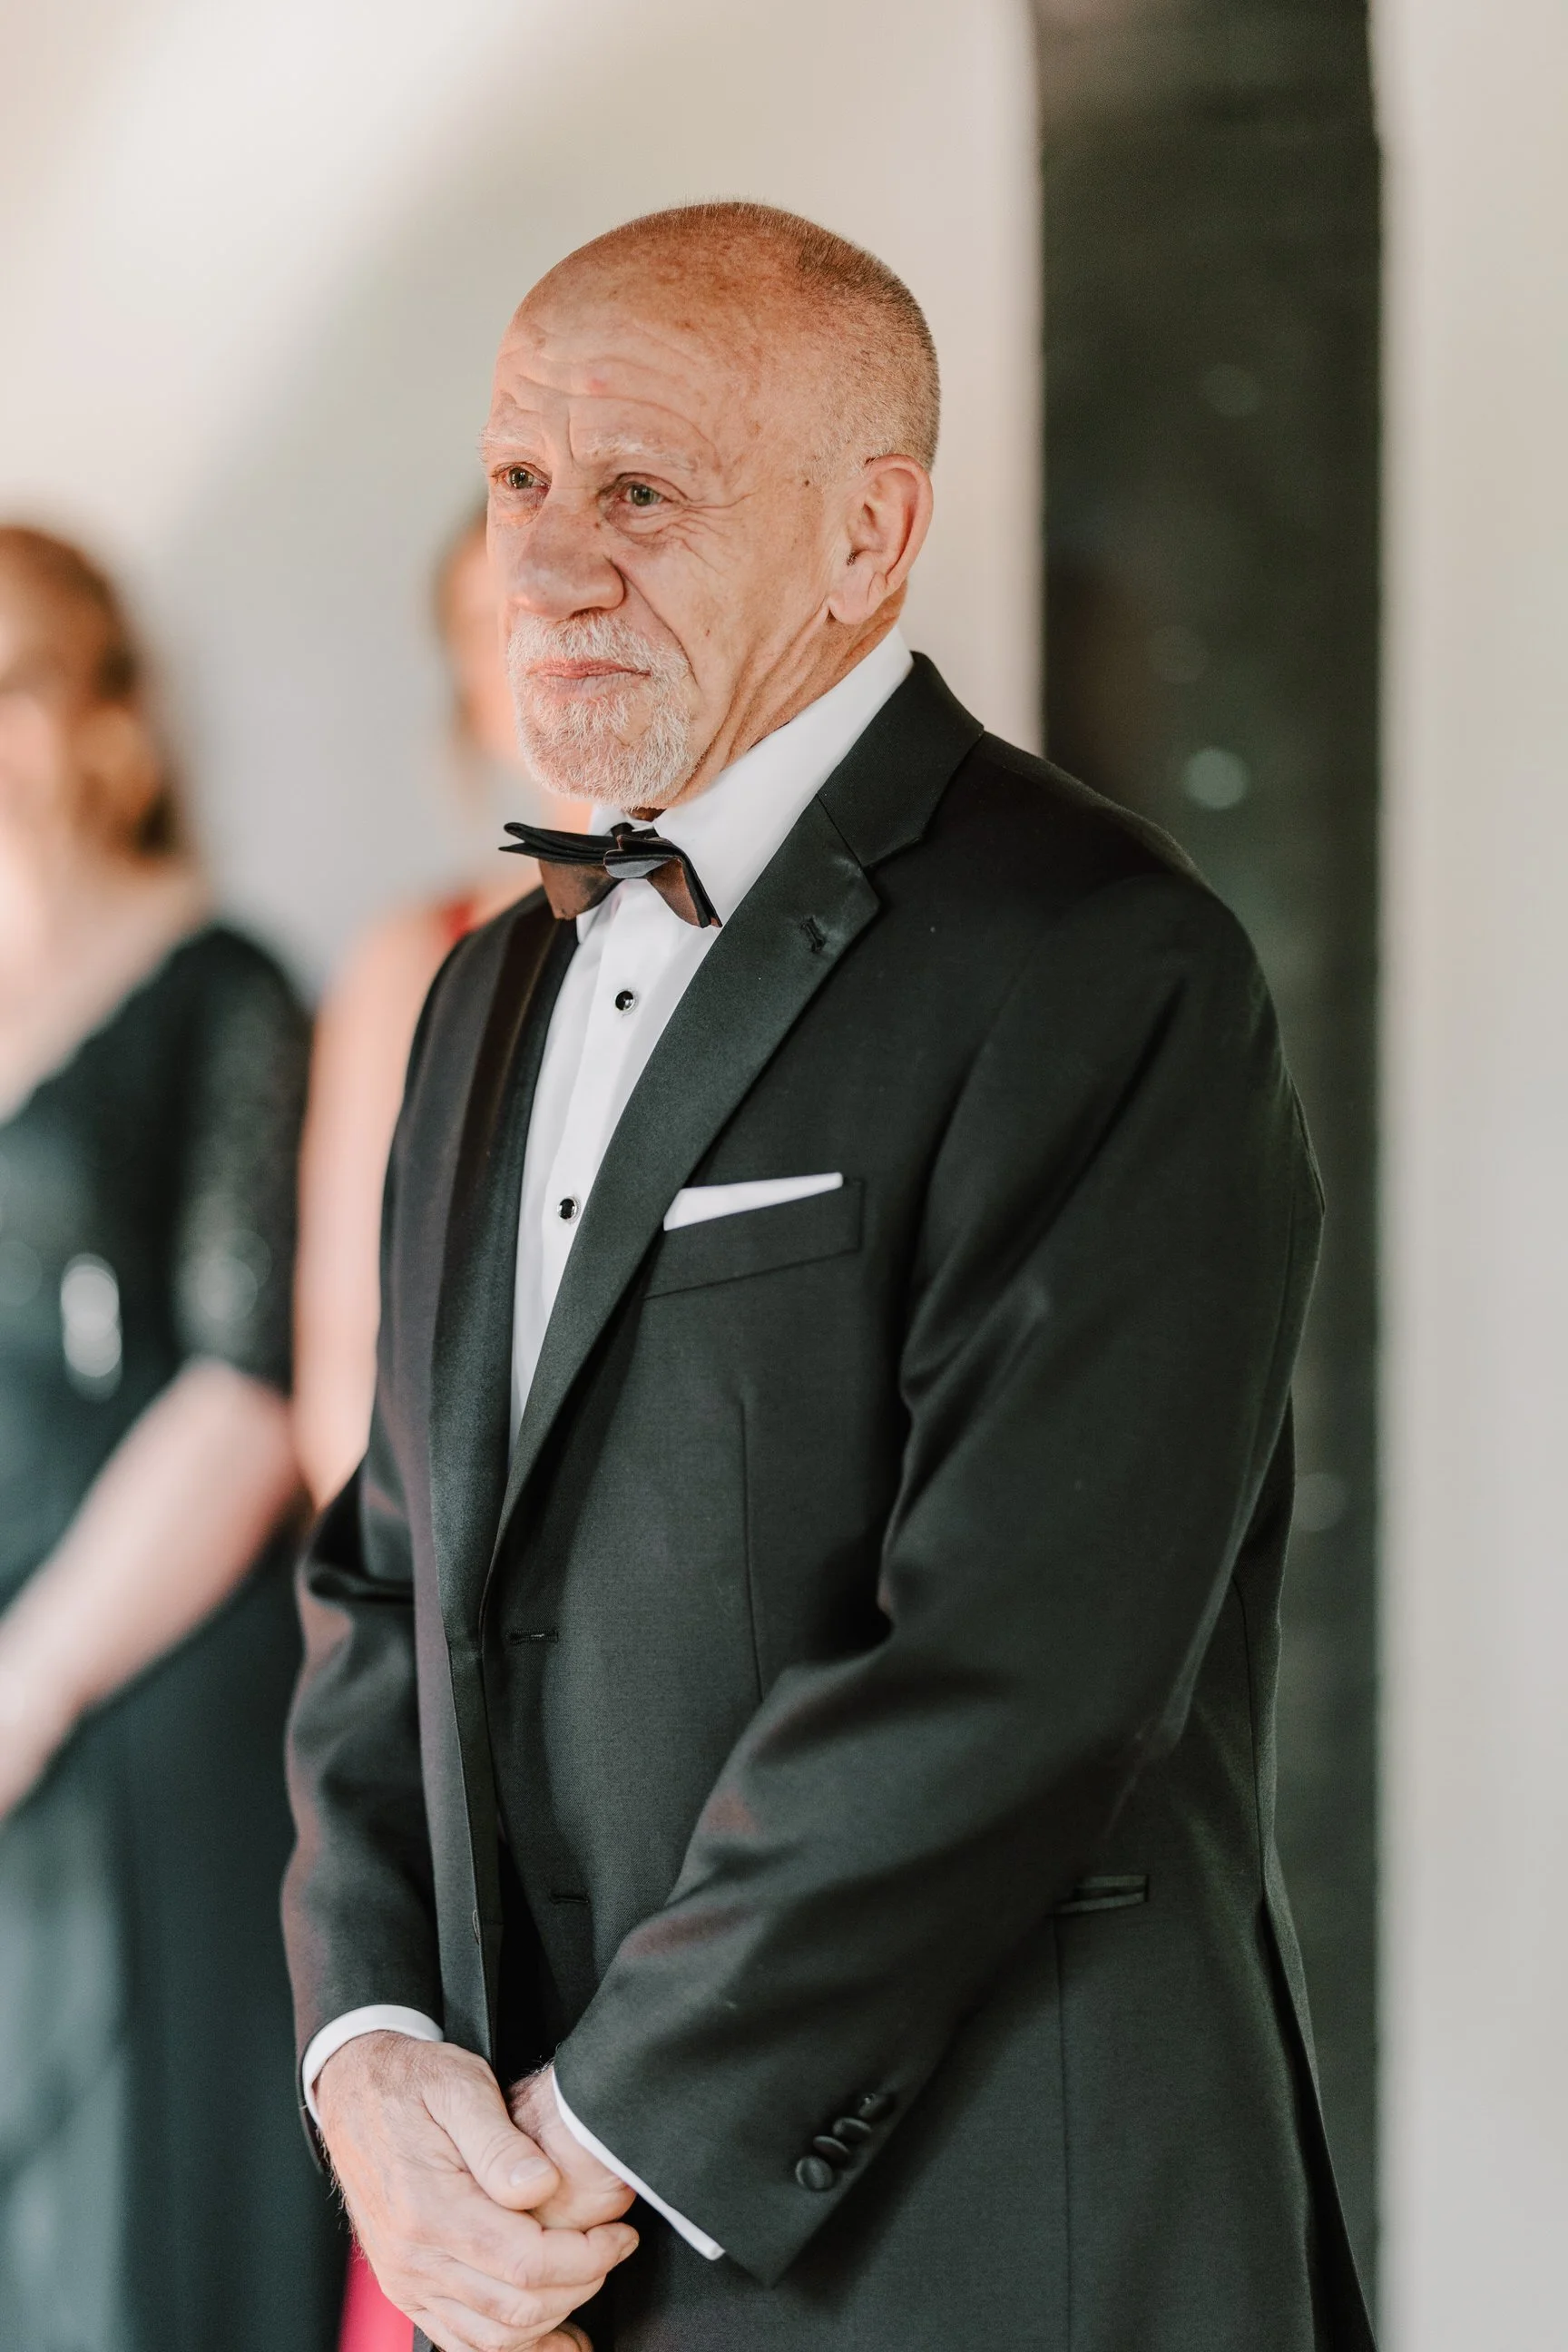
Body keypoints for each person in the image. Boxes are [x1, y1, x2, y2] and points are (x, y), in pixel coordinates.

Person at [283, 202, 1376, 2352]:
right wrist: (378, 2051)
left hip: (968, 2237)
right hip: (539, 2243)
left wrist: (591, 2138)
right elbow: (387, 1577)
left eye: (638, 492)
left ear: (869, 534)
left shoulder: (1101, 968)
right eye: (517, 481)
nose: (542, 562)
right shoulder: (479, 993)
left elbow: (1017, 1660)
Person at [0, 525, 344, 2349]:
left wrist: (29, 1685)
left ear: (103, 716)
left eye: (9, 684)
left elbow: (245, 1385)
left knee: (134, 2249)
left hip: (134, 1679)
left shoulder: (222, 989)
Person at [295, 507, 578, 1517]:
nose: (520, 648)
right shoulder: (408, 959)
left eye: (541, 607)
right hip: (444, 1538)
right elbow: (343, 1341)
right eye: (480, 624)